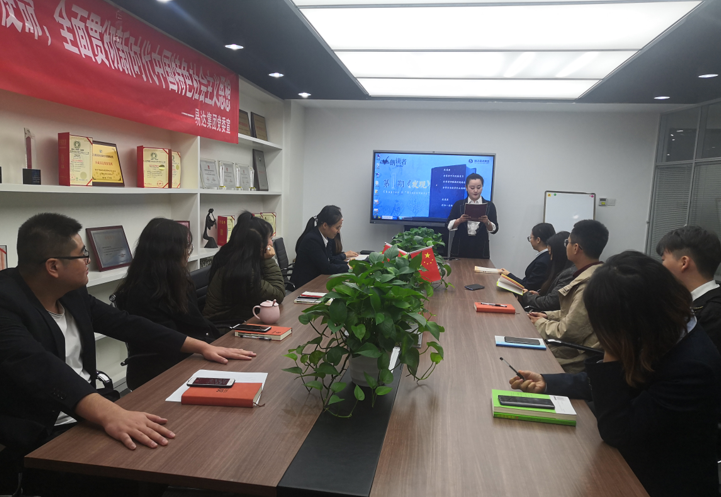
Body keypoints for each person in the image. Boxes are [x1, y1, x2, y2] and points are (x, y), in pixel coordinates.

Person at [0, 213, 256, 493]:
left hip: (88, 412)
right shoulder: (6, 302)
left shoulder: (71, 293)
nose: (88, 260)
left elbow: (127, 324)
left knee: (180, 444)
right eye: (82, 254)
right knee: (144, 469)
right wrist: (110, 413)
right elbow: (40, 367)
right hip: (42, 429)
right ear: (53, 266)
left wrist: (200, 346)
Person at [509, 251, 721, 497]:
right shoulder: (664, 328)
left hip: (659, 481)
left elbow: (617, 430)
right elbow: (623, 381)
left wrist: (612, 350)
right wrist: (548, 382)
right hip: (634, 460)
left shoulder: (692, 367)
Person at [115, 218, 237, 390]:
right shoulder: (139, 293)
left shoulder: (176, 281)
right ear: (168, 252)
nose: (188, 253)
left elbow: (194, 326)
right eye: (185, 247)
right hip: (163, 371)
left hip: (191, 355)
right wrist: (208, 346)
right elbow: (168, 340)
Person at [528, 219, 608, 373]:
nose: (566, 246)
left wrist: (540, 323)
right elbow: (574, 314)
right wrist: (547, 315)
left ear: (576, 248)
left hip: (576, 356)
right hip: (573, 348)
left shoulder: (588, 284)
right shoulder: (597, 273)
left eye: (568, 242)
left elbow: (567, 332)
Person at [203, 212, 285, 325]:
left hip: (239, 319)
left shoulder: (235, 258)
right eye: (269, 238)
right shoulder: (241, 271)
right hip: (225, 328)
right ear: (256, 244)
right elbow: (277, 295)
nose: (271, 242)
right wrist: (268, 260)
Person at [656, 225, 721, 351]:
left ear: (684, 262)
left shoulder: (714, 313)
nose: (661, 267)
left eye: (663, 260)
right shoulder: (685, 302)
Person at [291, 205, 357, 288]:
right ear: (325, 225)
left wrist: (349, 264)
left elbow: (330, 259)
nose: (338, 232)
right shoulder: (312, 240)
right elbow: (326, 268)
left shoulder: (325, 237)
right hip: (305, 285)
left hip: (316, 281)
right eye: (337, 228)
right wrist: (347, 267)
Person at [518, 231, 575, 312]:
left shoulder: (569, 274)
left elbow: (550, 303)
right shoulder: (564, 270)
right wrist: (539, 295)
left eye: (551, 254)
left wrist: (526, 296)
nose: (550, 259)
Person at [446, 173, 498, 259]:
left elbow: (494, 230)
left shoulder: (489, 206)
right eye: (472, 188)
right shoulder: (459, 204)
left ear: (482, 187)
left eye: (478, 187)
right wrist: (460, 220)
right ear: (466, 187)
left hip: (481, 248)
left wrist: (487, 222)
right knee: (459, 267)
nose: (475, 191)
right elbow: (448, 226)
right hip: (460, 247)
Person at [500, 222, 555, 291]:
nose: (530, 241)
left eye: (531, 238)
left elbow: (528, 286)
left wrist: (508, 275)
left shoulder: (543, 261)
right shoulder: (547, 256)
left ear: (538, 240)